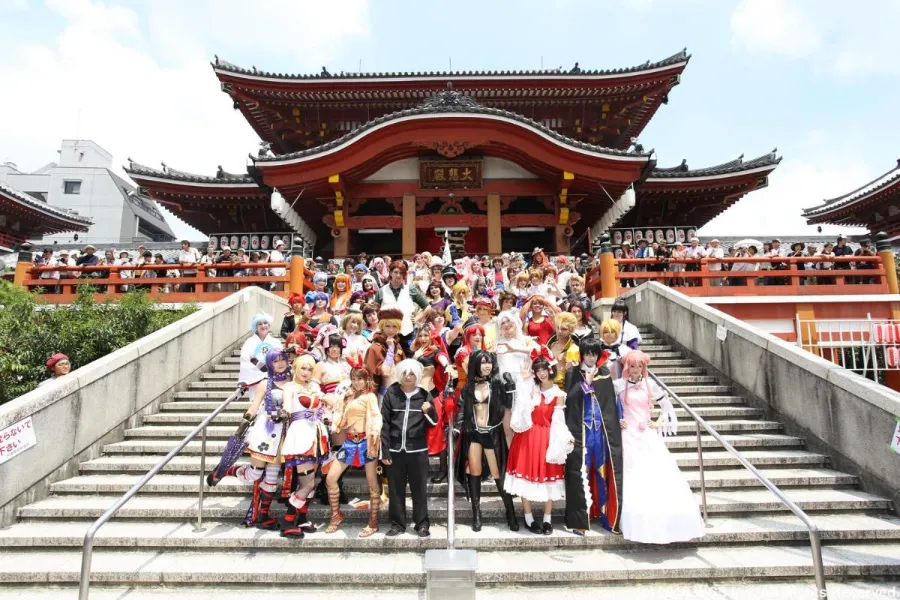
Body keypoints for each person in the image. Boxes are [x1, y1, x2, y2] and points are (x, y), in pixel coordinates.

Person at [616, 351, 704, 543]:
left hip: (647, 434)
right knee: (633, 475)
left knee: (655, 473)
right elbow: (604, 405)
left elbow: (666, 406)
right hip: (628, 435)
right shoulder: (618, 385)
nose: (636, 370)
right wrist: (618, 420)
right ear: (626, 368)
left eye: (639, 366)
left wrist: (658, 422)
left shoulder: (650, 384)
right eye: (632, 366)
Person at [206, 349, 291, 530]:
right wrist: (241, 428)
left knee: (272, 477)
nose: (280, 363)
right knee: (254, 473)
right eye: (275, 361)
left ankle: (264, 515)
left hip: (285, 433)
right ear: (270, 364)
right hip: (265, 431)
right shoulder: (265, 383)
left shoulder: (294, 381)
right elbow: (254, 407)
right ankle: (226, 470)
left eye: (283, 359)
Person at [563, 336, 623, 535]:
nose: (590, 357)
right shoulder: (573, 373)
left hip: (601, 431)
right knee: (581, 473)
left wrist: (618, 421)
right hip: (581, 432)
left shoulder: (604, 374)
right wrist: (584, 384)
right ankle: (581, 518)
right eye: (587, 353)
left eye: (594, 354)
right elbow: (569, 402)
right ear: (582, 354)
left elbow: (611, 404)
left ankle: (607, 516)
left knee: (603, 473)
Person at [504, 353, 568, 534]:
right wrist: (524, 382)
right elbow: (520, 411)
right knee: (525, 476)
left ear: (550, 369)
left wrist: (563, 437)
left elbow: (558, 421)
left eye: (544, 369)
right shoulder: (530, 390)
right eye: (537, 370)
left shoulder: (559, 394)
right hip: (527, 436)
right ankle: (528, 517)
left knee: (549, 476)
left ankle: (548, 519)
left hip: (547, 437)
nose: (541, 373)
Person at [456, 350, 519, 532]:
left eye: (489, 362)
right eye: (482, 362)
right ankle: (477, 513)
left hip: (492, 433)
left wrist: (511, 386)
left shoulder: (497, 384)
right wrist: (456, 427)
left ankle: (511, 513)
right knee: (474, 472)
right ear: (476, 364)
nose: (486, 365)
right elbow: (462, 410)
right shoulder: (468, 387)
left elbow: (509, 404)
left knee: (498, 473)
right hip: (473, 433)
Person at [380, 359, 439, 537]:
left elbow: (434, 422)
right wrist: (385, 450)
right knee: (396, 489)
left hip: (417, 450)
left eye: (412, 373)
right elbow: (384, 424)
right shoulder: (392, 392)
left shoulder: (424, 394)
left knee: (419, 489)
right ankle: (397, 524)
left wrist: (428, 410)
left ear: (418, 375)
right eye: (405, 373)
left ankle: (422, 524)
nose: (408, 376)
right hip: (395, 451)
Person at [323, 368, 383, 536]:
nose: (357, 382)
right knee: (331, 478)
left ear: (366, 380)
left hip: (366, 441)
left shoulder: (370, 397)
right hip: (349, 442)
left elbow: (376, 416)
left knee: (372, 482)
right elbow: (340, 418)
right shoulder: (349, 397)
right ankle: (335, 515)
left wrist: (375, 434)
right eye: (354, 379)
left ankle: (373, 522)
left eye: (360, 379)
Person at [278, 352, 329, 537]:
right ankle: (288, 519)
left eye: (310, 369)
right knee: (307, 484)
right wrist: (283, 413)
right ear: (296, 369)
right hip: (300, 435)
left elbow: (324, 405)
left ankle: (302, 518)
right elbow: (288, 408)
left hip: (317, 435)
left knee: (310, 482)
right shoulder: (290, 387)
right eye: (303, 368)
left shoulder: (314, 388)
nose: (306, 372)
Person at [496, 309, 539, 445]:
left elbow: (539, 352)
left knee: (525, 424)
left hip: (524, 383)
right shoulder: (497, 344)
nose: (507, 324)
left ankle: (524, 461)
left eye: (509, 320)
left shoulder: (526, 340)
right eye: (503, 322)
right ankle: (511, 462)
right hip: (505, 386)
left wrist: (515, 349)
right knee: (507, 426)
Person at [374, 260, 430, 351]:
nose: (398, 275)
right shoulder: (381, 291)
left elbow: (427, 307)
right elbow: (375, 311)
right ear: (390, 273)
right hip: (387, 335)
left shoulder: (410, 289)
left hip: (407, 334)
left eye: (401, 273)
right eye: (396, 272)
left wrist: (416, 318)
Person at [239, 313, 283, 397]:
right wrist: (261, 367)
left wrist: (272, 368)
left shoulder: (276, 342)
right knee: (257, 404)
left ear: (269, 325)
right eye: (260, 324)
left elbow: (281, 358)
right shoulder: (249, 342)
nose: (263, 326)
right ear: (256, 327)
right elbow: (245, 359)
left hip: (273, 378)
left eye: (265, 323)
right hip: (255, 379)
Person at [364, 308, 406, 392]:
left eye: (395, 327)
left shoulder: (398, 345)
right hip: (382, 395)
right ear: (382, 327)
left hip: (400, 391)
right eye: (387, 326)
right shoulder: (374, 348)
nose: (391, 330)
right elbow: (371, 379)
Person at [547, 312, 581, 389]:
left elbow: (573, 374)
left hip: (565, 387)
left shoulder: (574, 348)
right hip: (549, 384)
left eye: (564, 329)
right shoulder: (550, 344)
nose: (559, 331)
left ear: (571, 330)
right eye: (558, 328)